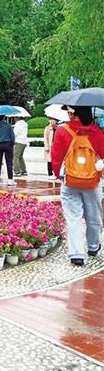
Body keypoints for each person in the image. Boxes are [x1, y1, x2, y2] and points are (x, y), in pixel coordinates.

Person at [50, 106, 104, 266]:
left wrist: (59, 175)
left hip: (70, 181)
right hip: (92, 181)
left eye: (69, 112)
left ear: (74, 114)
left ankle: (77, 254)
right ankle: (93, 246)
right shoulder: (96, 131)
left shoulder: (62, 131)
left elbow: (56, 155)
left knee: (73, 218)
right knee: (93, 215)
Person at [0, 115, 16, 186]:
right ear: (3, 117)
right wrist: (12, 143)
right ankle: (10, 180)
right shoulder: (8, 125)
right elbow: (12, 136)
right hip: (8, 144)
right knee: (9, 162)